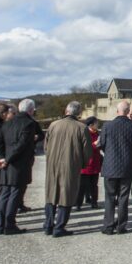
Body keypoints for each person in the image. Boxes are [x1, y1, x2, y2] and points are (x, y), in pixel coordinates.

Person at [42, 101, 93, 238]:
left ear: (66, 111)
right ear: (79, 113)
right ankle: (59, 227)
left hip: (53, 164)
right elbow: (87, 151)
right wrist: (82, 164)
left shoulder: (53, 125)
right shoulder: (82, 128)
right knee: (67, 195)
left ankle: (48, 225)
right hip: (71, 165)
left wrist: (51, 157)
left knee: (51, 194)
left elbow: (46, 146)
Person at [97, 100, 132, 235]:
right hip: (127, 166)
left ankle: (108, 226)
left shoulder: (107, 125)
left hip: (110, 165)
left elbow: (102, 144)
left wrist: (110, 154)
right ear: (128, 112)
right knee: (124, 197)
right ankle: (121, 226)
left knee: (110, 197)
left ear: (117, 111)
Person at [0, 99, 38, 235]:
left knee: (5, 193)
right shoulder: (29, 123)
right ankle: (9, 225)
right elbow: (22, 145)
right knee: (14, 195)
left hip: (6, 165)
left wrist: (1, 158)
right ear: (31, 110)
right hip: (19, 164)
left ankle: (1, 225)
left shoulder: (7, 123)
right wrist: (7, 159)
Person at [17, 106, 45, 214]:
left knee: (22, 182)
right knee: (19, 182)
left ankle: (19, 204)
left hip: (22, 155)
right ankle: (16, 205)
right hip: (24, 155)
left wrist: (36, 137)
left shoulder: (31, 122)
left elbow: (41, 135)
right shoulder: (30, 123)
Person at [77, 117, 102, 210]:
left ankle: (94, 202)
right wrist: (94, 144)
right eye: (96, 123)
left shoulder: (97, 133)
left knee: (94, 185)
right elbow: (83, 147)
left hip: (95, 162)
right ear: (91, 125)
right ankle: (78, 203)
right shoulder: (84, 133)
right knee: (82, 186)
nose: (98, 125)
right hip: (86, 164)